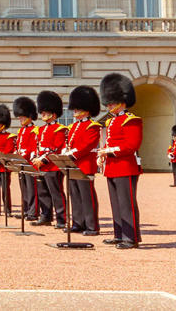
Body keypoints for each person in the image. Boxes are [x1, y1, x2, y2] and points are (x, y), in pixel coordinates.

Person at [97, 73, 142, 249]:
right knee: (116, 203)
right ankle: (119, 234)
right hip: (112, 166)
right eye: (108, 103)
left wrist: (109, 151)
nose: (109, 106)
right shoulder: (111, 122)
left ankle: (131, 238)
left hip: (125, 166)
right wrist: (103, 155)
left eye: (112, 102)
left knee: (126, 203)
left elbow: (132, 145)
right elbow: (109, 141)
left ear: (123, 101)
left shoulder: (132, 120)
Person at [64, 86, 102, 236]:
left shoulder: (93, 126)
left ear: (86, 110)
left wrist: (72, 154)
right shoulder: (73, 127)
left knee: (87, 197)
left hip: (85, 165)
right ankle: (78, 223)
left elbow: (87, 146)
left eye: (77, 109)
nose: (74, 112)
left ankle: (92, 226)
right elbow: (70, 144)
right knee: (75, 196)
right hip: (72, 165)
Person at [31, 91, 68, 227]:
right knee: (42, 193)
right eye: (42, 113)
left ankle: (62, 219)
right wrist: (35, 158)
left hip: (52, 166)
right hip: (40, 165)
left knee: (56, 193)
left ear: (53, 114)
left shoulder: (60, 129)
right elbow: (38, 146)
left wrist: (44, 160)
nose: (43, 115)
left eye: (45, 113)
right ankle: (45, 216)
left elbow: (56, 148)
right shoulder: (40, 130)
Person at [12, 97, 40, 219]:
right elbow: (18, 145)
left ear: (29, 116)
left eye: (23, 117)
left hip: (30, 163)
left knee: (32, 188)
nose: (20, 119)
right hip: (21, 163)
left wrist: (23, 154)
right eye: (20, 117)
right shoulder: (21, 131)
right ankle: (26, 209)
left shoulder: (35, 130)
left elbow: (33, 147)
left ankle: (33, 212)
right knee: (24, 188)